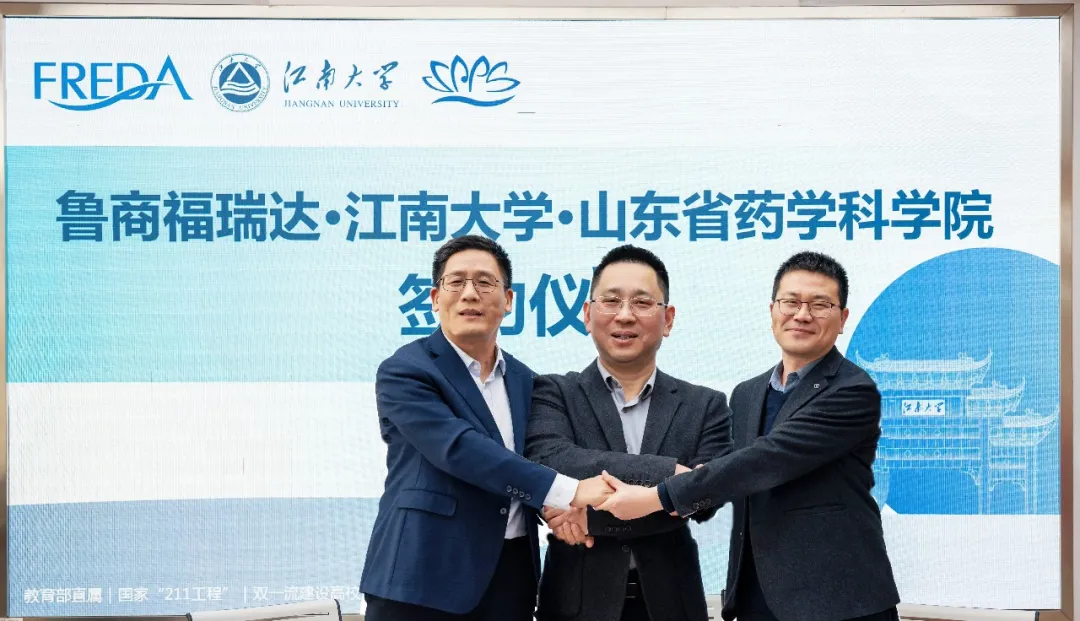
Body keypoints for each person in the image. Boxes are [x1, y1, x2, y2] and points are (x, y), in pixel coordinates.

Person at [596, 251, 900, 621]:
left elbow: (765, 461)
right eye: (791, 302)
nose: (802, 315)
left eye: (820, 305)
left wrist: (657, 496)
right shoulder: (747, 394)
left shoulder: (852, 390)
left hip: (837, 600)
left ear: (843, 319)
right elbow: (722, 469)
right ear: (773, 311)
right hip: (756, 596)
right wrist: (586, 502)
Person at [360, 235, 613, 621]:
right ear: (435, 298)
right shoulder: (406, 370)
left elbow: (532, 462)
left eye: (484, 282)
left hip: (509, 576)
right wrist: (571, 491)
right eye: (456, 282)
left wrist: (556, 508)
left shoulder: (527, 381)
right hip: (422, 574)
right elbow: (459, 449)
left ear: (508, 300)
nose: (469, 294)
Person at [525, 245, 732, 621]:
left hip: (673, 606)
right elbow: (553, 462)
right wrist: (673, 476)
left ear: (667, 319)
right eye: (611, 301)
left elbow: (707, 498)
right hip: (574, 606)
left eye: (642, 302)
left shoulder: (706, 405)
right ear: (587, 314)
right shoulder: (553, 391)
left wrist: (587, 517)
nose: (624, 315)